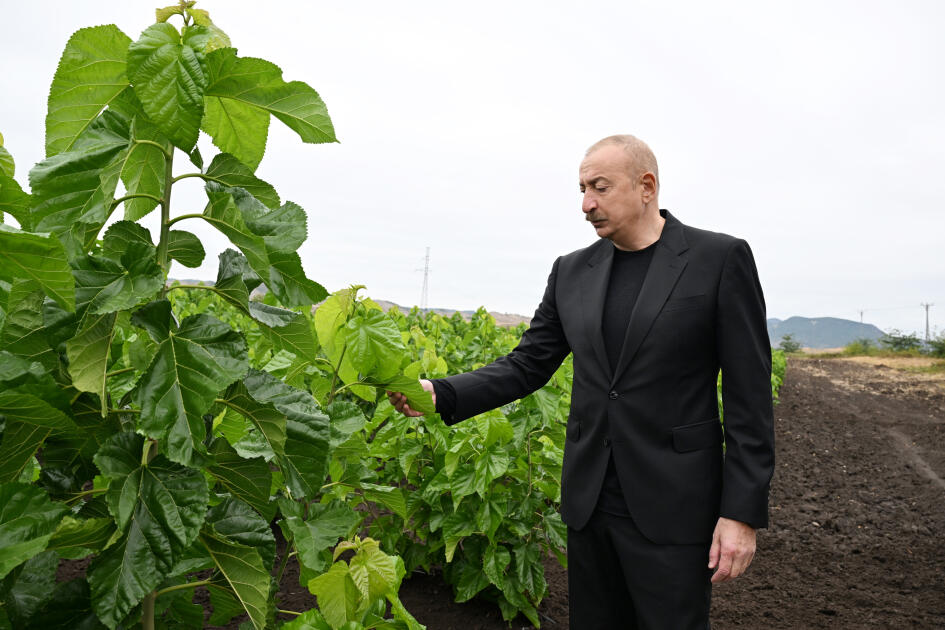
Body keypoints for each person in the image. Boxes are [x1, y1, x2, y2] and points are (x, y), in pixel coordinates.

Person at [387, 134, 775, 629]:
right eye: (582, 189)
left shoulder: (717, 260)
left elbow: (750, 399)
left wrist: (740, 513)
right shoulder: (572, 271)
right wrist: (442, 392)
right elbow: (527, 364)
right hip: (590, 503)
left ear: (646, 186)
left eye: (600, 187)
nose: (586, 204)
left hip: (674, 505)